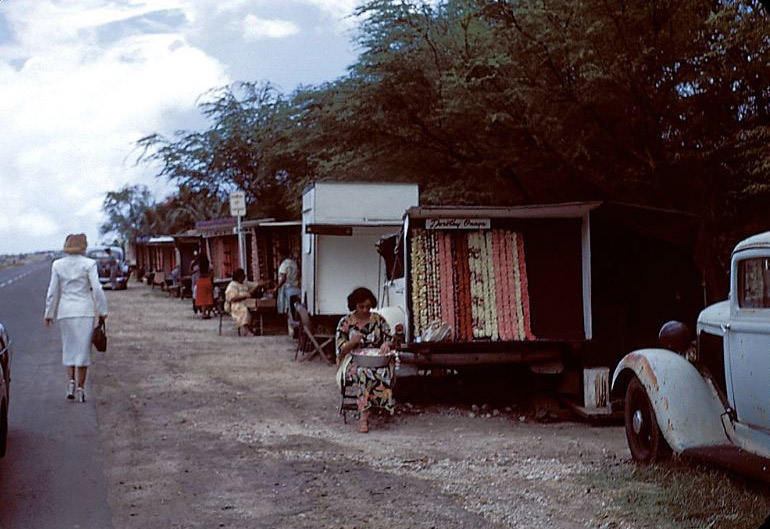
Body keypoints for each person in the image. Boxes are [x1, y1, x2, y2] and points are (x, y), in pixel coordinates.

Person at [44, 233, 108, 403]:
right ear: (83, 246)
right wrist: (102, 310)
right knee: (83, 350)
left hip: (65, 312)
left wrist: (49, 313)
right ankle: (80, 388)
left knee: (69, 347)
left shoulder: (57, 265)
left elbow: (52, 292)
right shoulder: (89, 264)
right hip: (84, 311)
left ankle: (70, 383)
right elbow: (97, 288)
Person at [335, 287, 395, 433]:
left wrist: (387, 344)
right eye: (361, 307)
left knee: (380, 370)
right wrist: (352, 343)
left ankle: (374, 408)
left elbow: (390, 338)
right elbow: (340, 350)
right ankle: (364, 416)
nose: (365, 310)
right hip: (353, 361)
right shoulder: (345, 322)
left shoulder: (378, 320)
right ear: (354, 305)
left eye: (368, 307)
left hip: (376, 359)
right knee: (364, 372)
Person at [224, 268, 260, 334]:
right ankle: (246, 329)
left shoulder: (244, 283)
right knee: (244, 310)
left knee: (255, 309)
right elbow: (232, 298)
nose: (244, 277)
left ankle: (253, 327)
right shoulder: (232, 285)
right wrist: (244, 296)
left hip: (246, 302)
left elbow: (255, 285)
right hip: (235, 304)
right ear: (239, 277)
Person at [272, 247, 299, 316]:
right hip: (295, 287)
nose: (277, 257)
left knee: (286, 306)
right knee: (292, 305)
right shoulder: (293, 263)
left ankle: (289, 320)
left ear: (283, 255)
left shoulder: (284, 265)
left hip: (286, 288)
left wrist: (276, 288)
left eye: (278, 255)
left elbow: (283, 279)